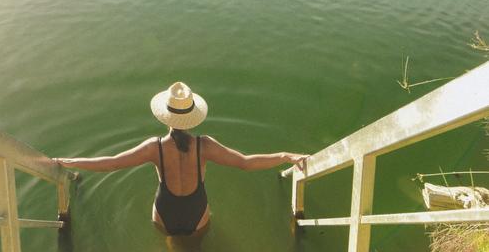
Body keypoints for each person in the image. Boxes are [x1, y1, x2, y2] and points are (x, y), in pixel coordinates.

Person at [54, 82, 309, 236]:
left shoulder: (154, 148)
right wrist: (285, 155)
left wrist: (71, 162)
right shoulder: (204, 145)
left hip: (165, 208)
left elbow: (112, 163)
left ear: (165, 116)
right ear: (193, 115)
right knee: (198, 251)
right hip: (197, 209)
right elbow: (244, 162)